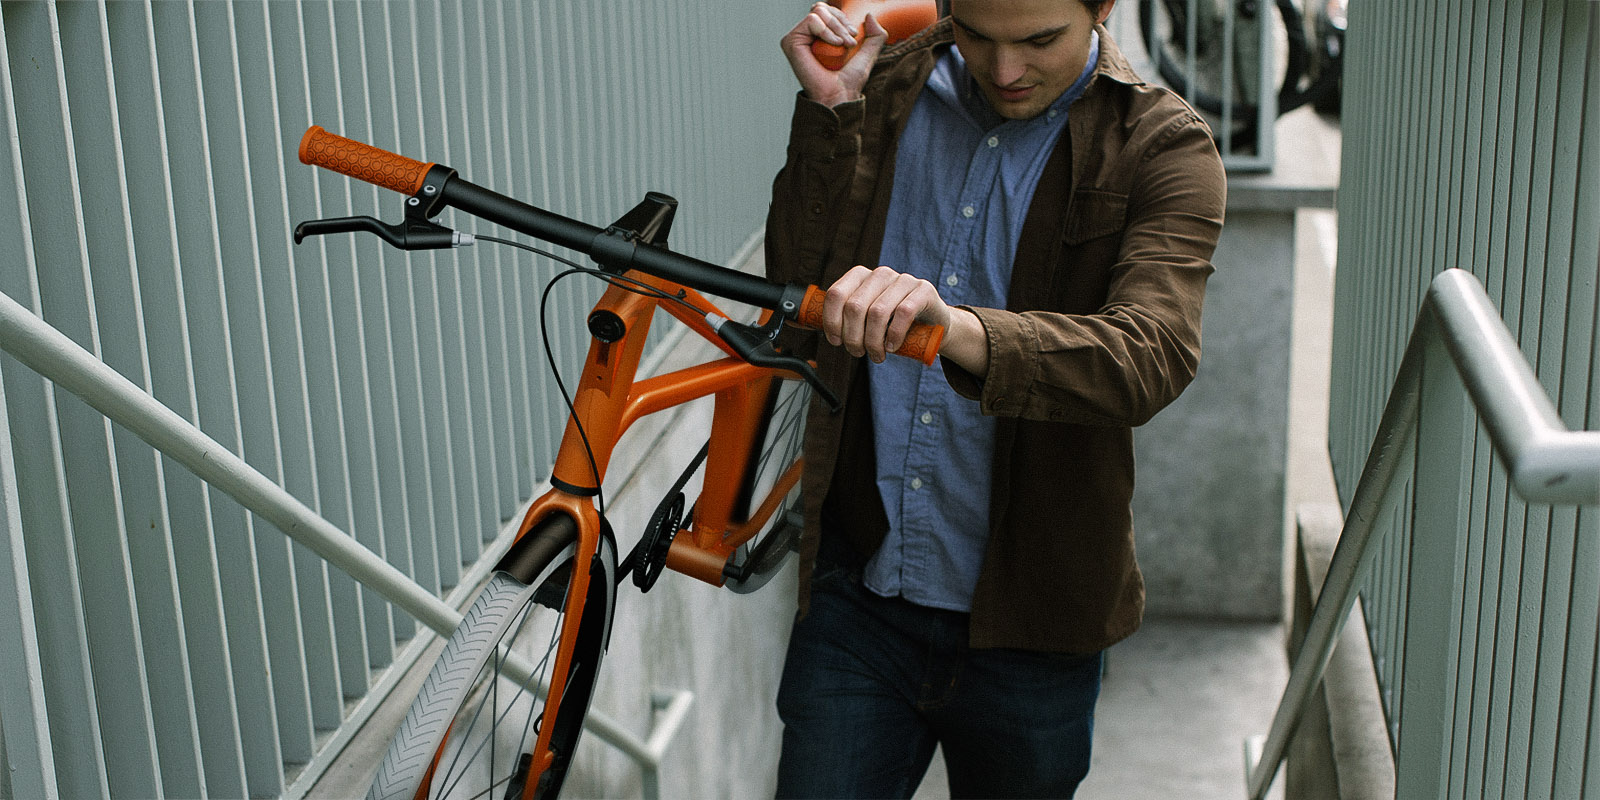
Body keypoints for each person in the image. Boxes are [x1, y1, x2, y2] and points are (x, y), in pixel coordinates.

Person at [764, 0, 1226, 797]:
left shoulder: (1160, 144)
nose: (1005, 70)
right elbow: (795, 295)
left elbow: (1151, 355)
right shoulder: (887, 85)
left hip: (1035, 620)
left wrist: (957, 330)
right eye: (978, 36)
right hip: (860, 592)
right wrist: (830, 116)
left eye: (1040, 40)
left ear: (1103, 8)